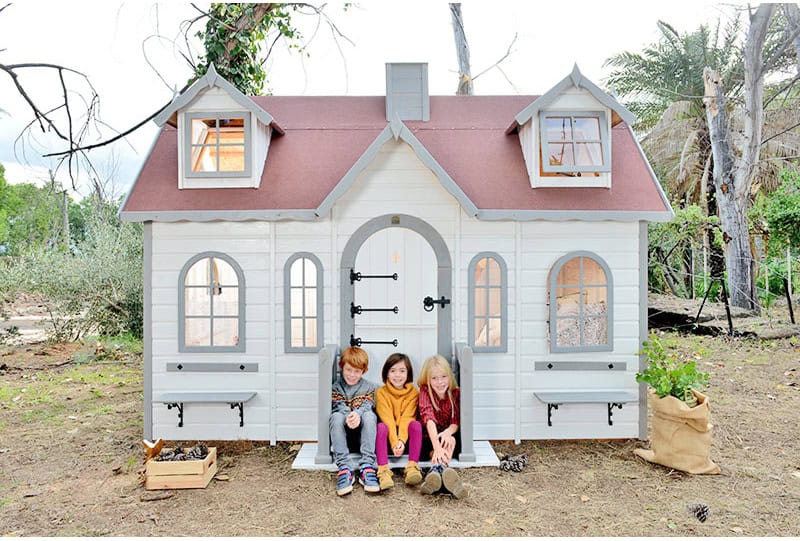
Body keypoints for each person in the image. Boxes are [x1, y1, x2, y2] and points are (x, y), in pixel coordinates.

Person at [329, 346, 380, 496]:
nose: (352, 375)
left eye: (357, 371)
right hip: (344, 438)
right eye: (348, 370)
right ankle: (344, 468)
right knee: (336, 416)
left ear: (363, 371)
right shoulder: (336, 388)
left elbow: (368, 404)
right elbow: (339, 405)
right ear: (341, 367)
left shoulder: (369, 387)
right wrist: (349, 416)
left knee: (370, 415)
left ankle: (367, 467)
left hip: (363, 438)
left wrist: (357, 414)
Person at [417, 354, 467, 499]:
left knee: (451, 440)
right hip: (427, 439)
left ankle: (436, 474)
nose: (440, 382)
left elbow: (455, 420)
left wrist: (447, 433)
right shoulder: (425, 391)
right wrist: (437, 447)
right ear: (428, 379)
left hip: (444, 438)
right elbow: (429, 419)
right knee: (443, 444)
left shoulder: (455, 393)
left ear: (449, 376)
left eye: (443, 376)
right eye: (434, 378)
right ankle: (446, 476)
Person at [374, 353, 424, 490]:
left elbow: (407, 417)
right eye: (393, 371)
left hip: (405, 440)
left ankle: (412, 467)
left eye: (402, 371)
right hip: (387, 440)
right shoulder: (381, 393)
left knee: (415, 425)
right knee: (381, 426)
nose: (397, 375)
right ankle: (383, 471)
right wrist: (395, 442)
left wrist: (401, 441)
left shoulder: (413, 393)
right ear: (387, 373)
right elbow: (387, 418)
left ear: (408, 373)